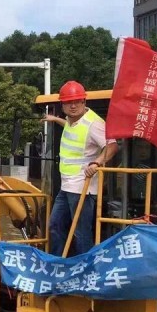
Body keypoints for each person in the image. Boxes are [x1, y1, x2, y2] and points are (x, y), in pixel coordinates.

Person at [43, 80, 119, 256]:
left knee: (81, 232)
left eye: (77, 101)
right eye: (69, 102)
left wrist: (97, 162)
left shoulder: (94, 124)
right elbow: (72, 127)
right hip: (67, 187)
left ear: (84, 102)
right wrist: (56, 120)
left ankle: (86, 269)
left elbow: (112, 146)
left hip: (83, 189)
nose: (73, 105)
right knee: (55, 225)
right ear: (63, 105)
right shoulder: (72, 120)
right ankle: (58, 264)